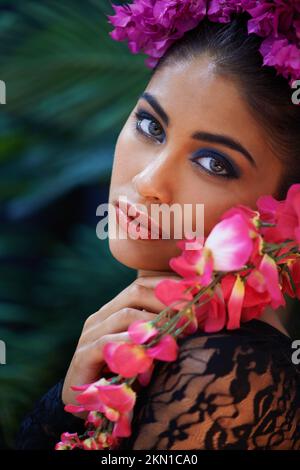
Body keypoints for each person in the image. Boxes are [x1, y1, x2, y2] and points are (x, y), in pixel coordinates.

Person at [15, 5, 300, 450]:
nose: (148, 183)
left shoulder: (223, 375)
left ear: (287, 213)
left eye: (213, 163)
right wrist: (70, 403)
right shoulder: (186, 346)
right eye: (151, 125)